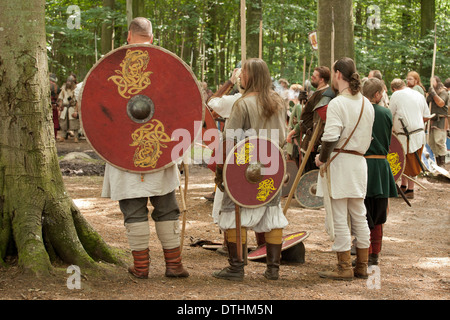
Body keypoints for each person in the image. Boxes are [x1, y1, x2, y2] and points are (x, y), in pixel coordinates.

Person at [101, 17, 189, 279]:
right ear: (152, 36)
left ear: (129, 35)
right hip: (157, 148)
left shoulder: (112, 64)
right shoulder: (167, 65)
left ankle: (141, 267)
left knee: (134, 209)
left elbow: (93, 102)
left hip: (124, 150)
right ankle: (173, 265)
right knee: (166, 206)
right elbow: (181, 107)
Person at [213, 58, 288, 281]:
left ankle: (236, 268)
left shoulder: (243, 103)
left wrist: (221, 170)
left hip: (244, 166)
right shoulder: (279, 101)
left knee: (233, 212)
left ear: (251, 76)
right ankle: (273, 269)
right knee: (271, 213)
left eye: (243, 73)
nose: (240, 77)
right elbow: (283, 137)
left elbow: (229, 140)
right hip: (272, 164)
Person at [315, 57, 374, 280]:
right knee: (359, 215)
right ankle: (362, 265)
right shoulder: (366, 103)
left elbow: (330, 137)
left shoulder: (338, 103)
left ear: (338, 74)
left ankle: (344, 268)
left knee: (340, 216)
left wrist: (321, 158)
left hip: (340, 163)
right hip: (358, 163)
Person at [361, 78, 398, 266]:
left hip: (364, 166)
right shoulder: (385, 113)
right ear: (377, 95)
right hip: (381, 167)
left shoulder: (359, 111)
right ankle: (374, 255)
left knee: (363, 212)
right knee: (379, 214)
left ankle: (365, 255)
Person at [389, 79, 431, 199]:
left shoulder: (396, 95)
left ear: (394, 89)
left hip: (406, 135)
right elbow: (426, 116)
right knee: (408, 162)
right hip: (418, 134)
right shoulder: (419, 94)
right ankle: (403, 186)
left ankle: (410, 189)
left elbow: (389, 114)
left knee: (407, 162)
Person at [287, 66, 332, 172]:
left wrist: (314, 142)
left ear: (322, 79)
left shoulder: (325, 95)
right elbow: (311, 113)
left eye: (314, 76)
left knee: (310, 175)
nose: (311, 78)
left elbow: (320, 121)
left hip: (314, 143)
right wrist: (305, 101)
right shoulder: (319, 92)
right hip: (309, 139)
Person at [427, 76, 449, 167]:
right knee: (432, 144)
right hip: (432, 120)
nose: (431, 83)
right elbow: (426, 104)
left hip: (441, 120)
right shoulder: (432, 92)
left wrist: (434, 94)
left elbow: (441, 103)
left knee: (439, 142)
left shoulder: (443, 92)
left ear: (437, 81)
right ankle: (438, 165)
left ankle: (442, 165)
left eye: (433, 81)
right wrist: (429, 96)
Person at [57, 76, 80, 142]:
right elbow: (61, 98)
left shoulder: (75, 91)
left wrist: (76, 111)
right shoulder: (63, 90)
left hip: (72, 108)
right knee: (63, 123)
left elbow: (77, 102)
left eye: (70, 82)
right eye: (67, 81)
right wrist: (60, 107)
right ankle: (62, 136)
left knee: (74, 123)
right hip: (65, 108)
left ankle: (76, 137)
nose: (68, 83)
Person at [49, 73, 60, 139]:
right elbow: (57, 98)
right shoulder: (56, 86)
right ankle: (53, 137)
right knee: (54, 121)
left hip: (49, 105)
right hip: (54, 105)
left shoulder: (46, 84)